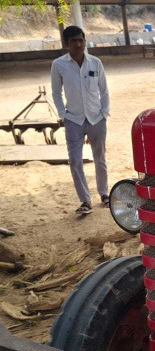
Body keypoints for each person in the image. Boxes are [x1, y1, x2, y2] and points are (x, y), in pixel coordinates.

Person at [51, 25, 110, 214]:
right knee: (75, 161)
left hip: (96, 118)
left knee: (99, 158)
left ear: (85, 40)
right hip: (73, 120)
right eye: (74, 41)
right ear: (66, 44)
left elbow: (104, 90)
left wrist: (104, 113)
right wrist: (63, 115)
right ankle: (85, 201)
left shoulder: (95, 63)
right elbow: (56, 93)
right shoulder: (59, 65)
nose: (78, 44)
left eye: (81, 40)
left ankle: (104, 194)